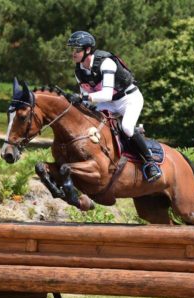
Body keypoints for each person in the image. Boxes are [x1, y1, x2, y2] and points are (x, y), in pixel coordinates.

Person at [66, 30, 161, 183]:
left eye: (77, 49)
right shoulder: (79, 71)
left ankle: (150, 162)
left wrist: (82, 97)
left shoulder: (106, 63)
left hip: (128, 99)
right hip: (108, 103)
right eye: (72, 50)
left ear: (88, 50)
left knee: (127, 128)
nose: (73, 53)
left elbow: (106, 94)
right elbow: (87, 99)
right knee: (91, 124)